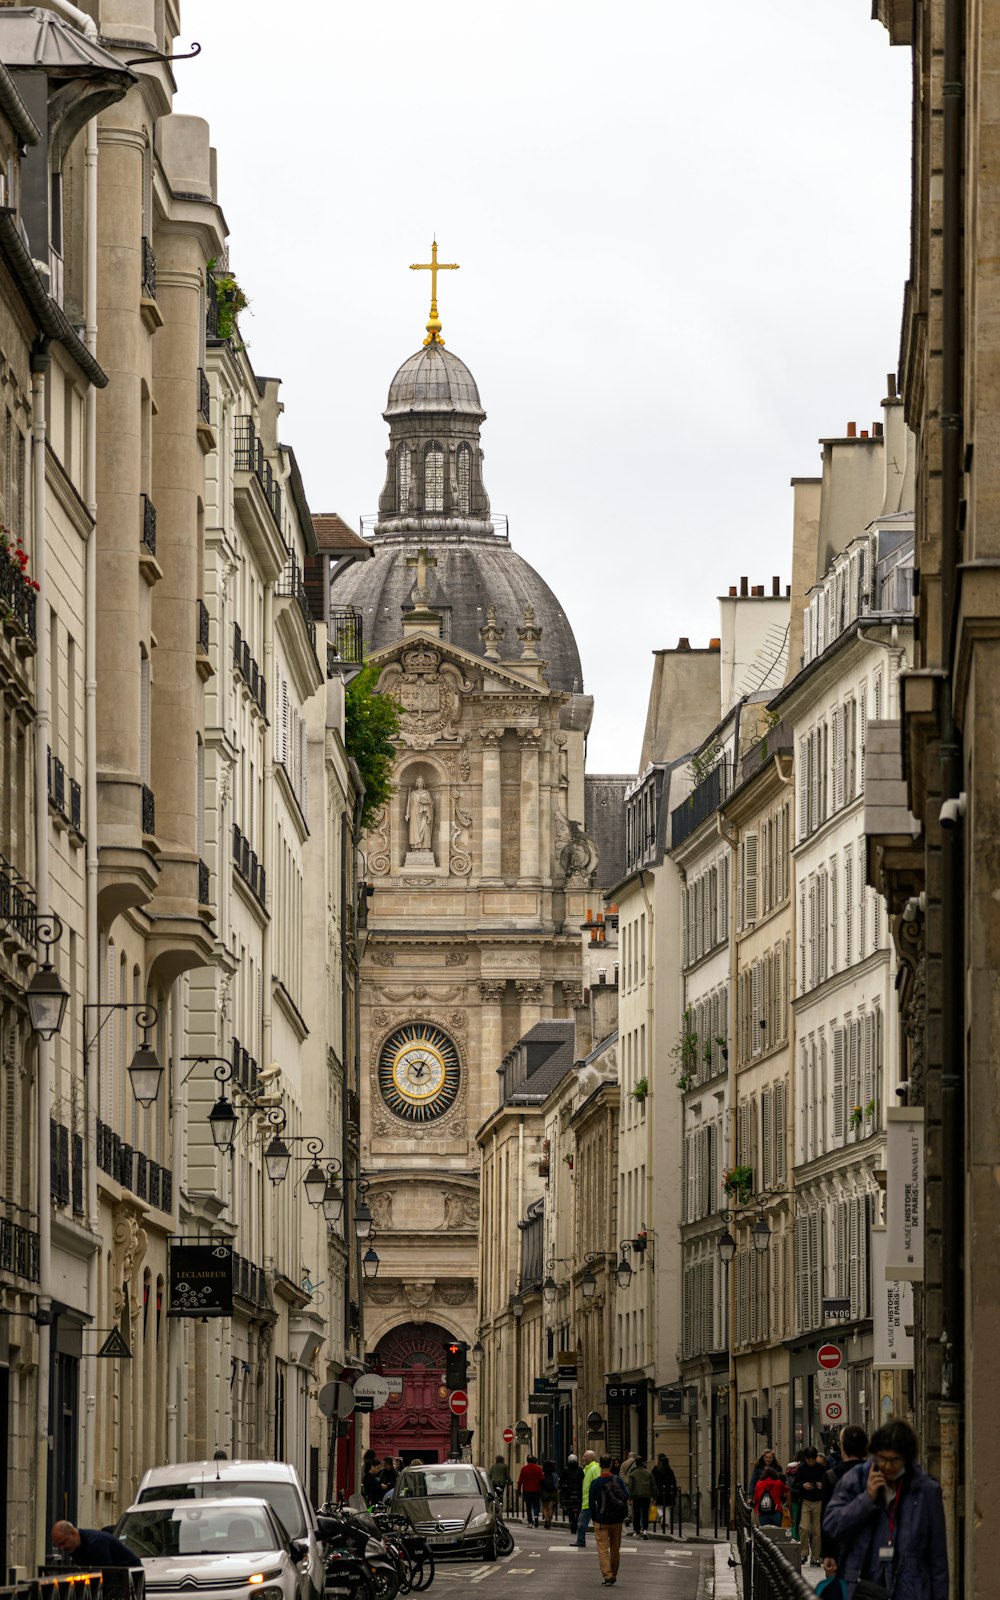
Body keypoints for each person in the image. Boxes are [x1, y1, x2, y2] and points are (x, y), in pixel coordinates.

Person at [823, 1418, 948, 1600]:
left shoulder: (925, 1490)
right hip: (862, 1588)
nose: (888, 1466)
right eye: (882, 1459)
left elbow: (938, 1559)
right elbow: (832, 1525)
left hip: (910, 1590)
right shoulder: (856, 1481)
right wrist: (866, 1500)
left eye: (894, 1460)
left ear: (906, 1458)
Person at [820, 1424, 869, 1584]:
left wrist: (827, 1553)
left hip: (839, 1546)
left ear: (843, 1448)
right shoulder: (875, 1474)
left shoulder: (832, 1476)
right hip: (870, 1547)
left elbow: (826, 1517)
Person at [589, 1455, 629, 1585]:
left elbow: (591, 1503)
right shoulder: (618, 1480)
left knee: (603, 1549)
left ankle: (607, 1575)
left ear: (600, 1465)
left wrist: (594, 1518)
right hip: (617, 1520)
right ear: (611, 1465)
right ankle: (614, 1573)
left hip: (601, 1520)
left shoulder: (595, 1483)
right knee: (615, 1549)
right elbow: (626, 1496)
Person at [51, 1522, 142, 1569]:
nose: (61, 1548)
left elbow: (108, 1574)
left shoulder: (95, 1543)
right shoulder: (75, 1546)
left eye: (63, 1543)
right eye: (58, 1545)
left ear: (73, 1533)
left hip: (129, 1575)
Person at [795, 1446, 827, 1565]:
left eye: (813, 1460)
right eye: (809, 1460)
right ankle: (804, 1553)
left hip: (818, 1501)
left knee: (817, 1531)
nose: (811, 1462)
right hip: (806, 1501)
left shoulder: (821, 1468)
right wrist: (803, 1486)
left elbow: (827, 1483)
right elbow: (795, 1484)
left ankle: (815, 1557)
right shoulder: (801, 1468)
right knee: (804, 1528)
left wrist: (821, 1485)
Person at [570, 1450, 601, 1547]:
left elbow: (597, 1484)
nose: (583, 1458)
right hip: (588, 1501)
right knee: (595, 1523)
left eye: (585, 1456)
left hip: (590, 1502)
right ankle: (583, 1540)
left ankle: (581, 1541)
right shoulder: (588, 1469)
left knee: (582, 1523)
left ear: (590, 1458)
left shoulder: (593, 1469)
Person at [627, 1454, 654, 1538]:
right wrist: (655, 1497)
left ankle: (637, 1531)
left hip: (636, 1496)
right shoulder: (648, 1473)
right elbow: (653, 1485)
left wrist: (629, 1498)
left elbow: (630, 1487)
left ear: (635, 1463)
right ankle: (645, 1530)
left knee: (636, 1514)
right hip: (646, 1495)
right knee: (645, 1513)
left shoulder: (633, 1474)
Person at [652, 1454, 678, 1531]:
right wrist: (674, 1493)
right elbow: (674, 1482)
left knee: (658, 1506)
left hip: (659, 1491)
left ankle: (661, 1516)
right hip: (669, 1492)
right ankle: (667, 1523)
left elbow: (654, 1481)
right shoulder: (670, 1471)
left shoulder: (657, 1471)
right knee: (667, 1508)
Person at [517, 1455, 544, 1527]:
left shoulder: (524, 1469)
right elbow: (542, 1479)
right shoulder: (538, 1469)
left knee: (528, 1507)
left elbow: (520, 1481)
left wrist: (518, 1490)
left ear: (527, 1460)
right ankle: (536, 1517)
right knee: (536, 1505)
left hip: (527, 1490)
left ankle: (530, 1522)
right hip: (536, 1490)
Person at [561, 1453, 584, 1532]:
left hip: (569, 1491)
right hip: (578, 1491)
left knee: (567, 1504)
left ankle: (566, 1510)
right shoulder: (580, 1469)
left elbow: (562, 1480)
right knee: (579, 1505)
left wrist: (562, 1486)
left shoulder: (566, 1469)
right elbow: (582, 1478)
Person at [540, 1459, 560, 1528]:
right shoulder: (554, 1474)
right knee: (550, 1507)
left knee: (545, 1507)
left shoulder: (542, 1473)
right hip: (552, 1491)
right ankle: (549, 1521)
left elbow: (540, 1482)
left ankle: (546, 1520)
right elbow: (556, 1484)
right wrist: (556, 1490)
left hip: (544, 1491)